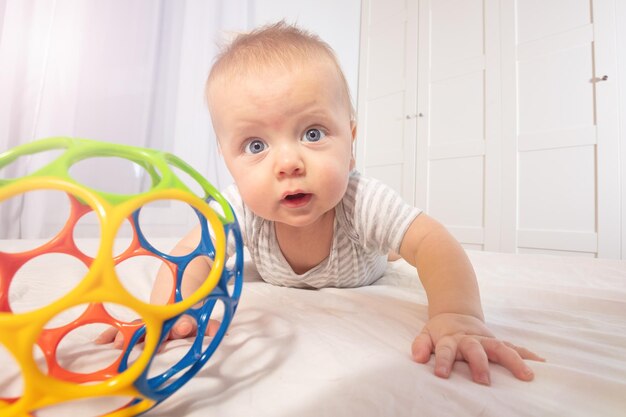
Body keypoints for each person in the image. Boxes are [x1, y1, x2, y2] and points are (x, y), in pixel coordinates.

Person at [97, 21, 543, 385]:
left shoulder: (360, 198)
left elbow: (432, 243)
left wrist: (457, 316)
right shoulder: (241, 207)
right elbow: (191, 251)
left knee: (390, 247)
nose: (288, 162)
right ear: (227, 161)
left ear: (350, 139)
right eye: (255, 146)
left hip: (361, 260)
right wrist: (171, 309)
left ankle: (384, 246)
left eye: (312, 134)